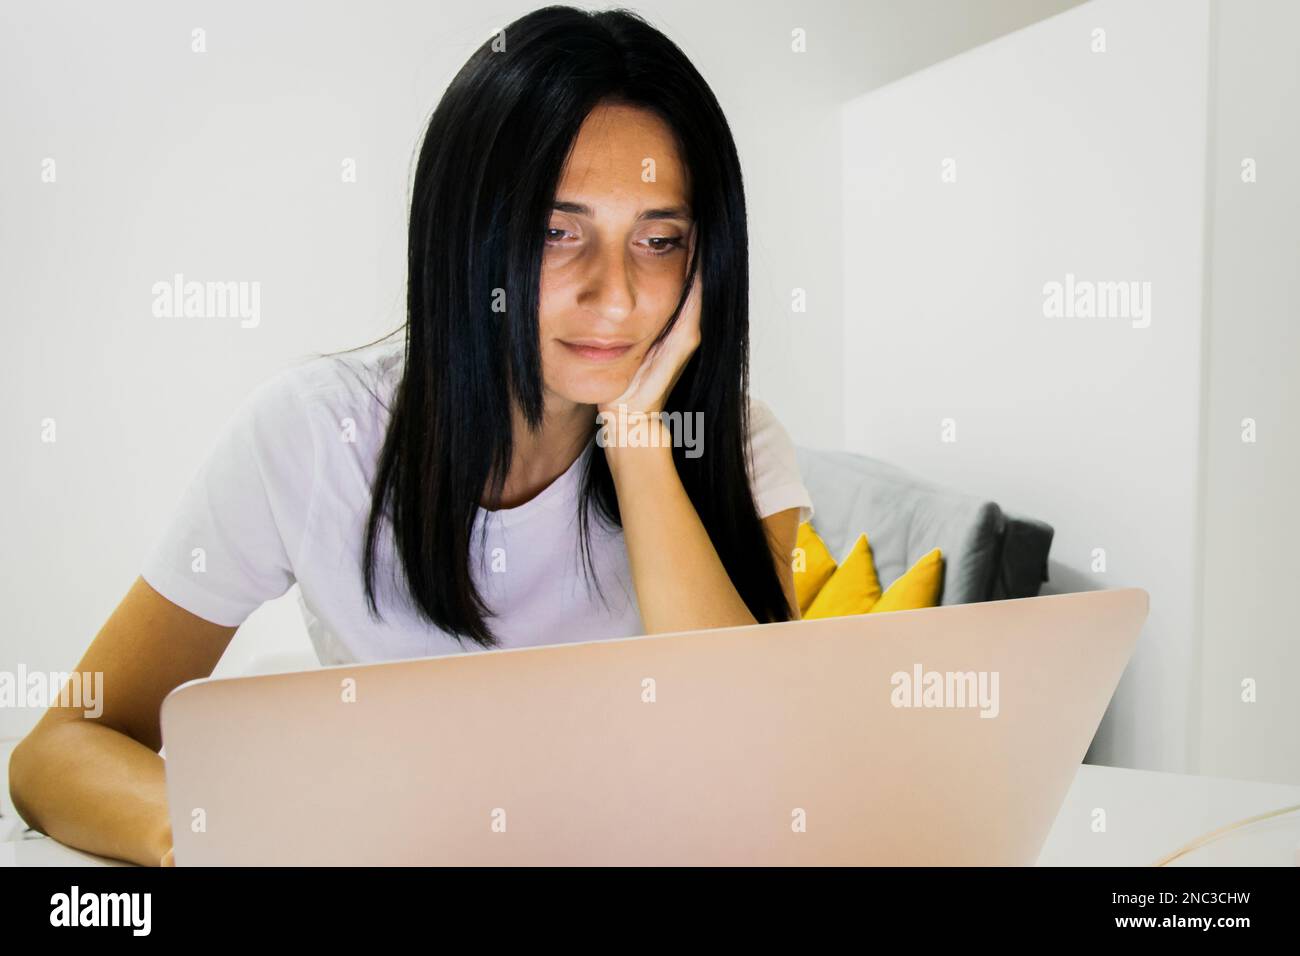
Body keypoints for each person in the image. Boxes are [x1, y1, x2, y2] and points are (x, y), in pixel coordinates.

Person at [7, 5, 814, 866]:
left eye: (659, 240)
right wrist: (210, 839)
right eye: (555, 231)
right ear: (467, 236)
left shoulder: (732, 445)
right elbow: (61, 746)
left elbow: (754, 772)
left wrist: (637, 445)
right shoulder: (320, 436)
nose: (614, 295)